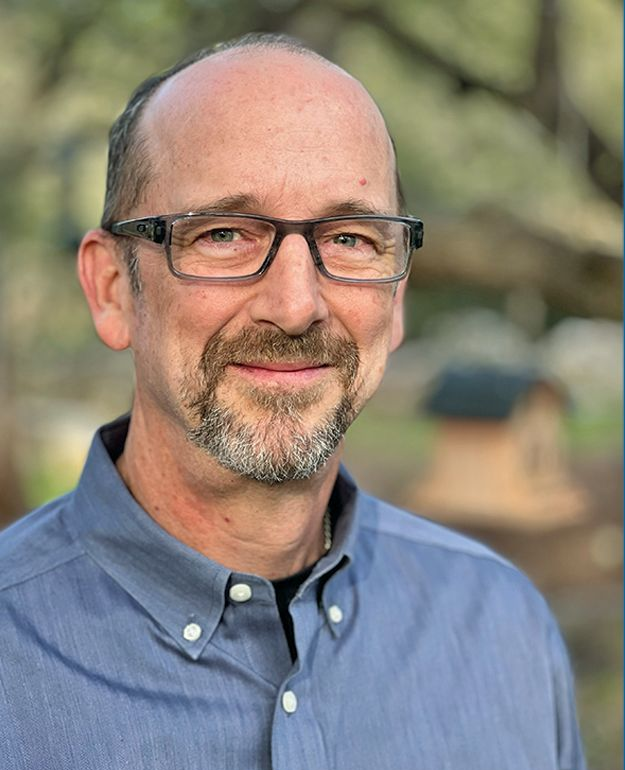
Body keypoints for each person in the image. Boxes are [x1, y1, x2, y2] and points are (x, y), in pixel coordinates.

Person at [0, 33, 586, 770]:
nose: (296, 305)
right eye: (223, 234)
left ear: (397, 298)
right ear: (113, 288)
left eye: (350, 239)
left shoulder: (503, 629)